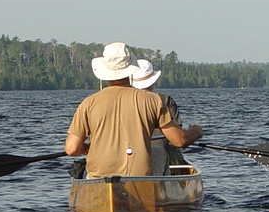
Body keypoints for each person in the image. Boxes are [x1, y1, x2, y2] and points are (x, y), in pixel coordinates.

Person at [65, 42, 203, 178]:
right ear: (131, 70)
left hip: (100, 181)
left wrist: (87, 148)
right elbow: (179, 141)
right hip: (139, 180)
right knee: (159, 152)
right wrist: (195, 132)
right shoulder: (154, 100)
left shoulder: (88, 103)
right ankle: (162, 193)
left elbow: (72, 149)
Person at [131, 59, 186, 167]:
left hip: (130, 158)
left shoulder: (122, 102)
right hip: (160, 156)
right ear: (153, 81)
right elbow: (179, 139)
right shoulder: (165, 101)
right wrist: (195, 132)